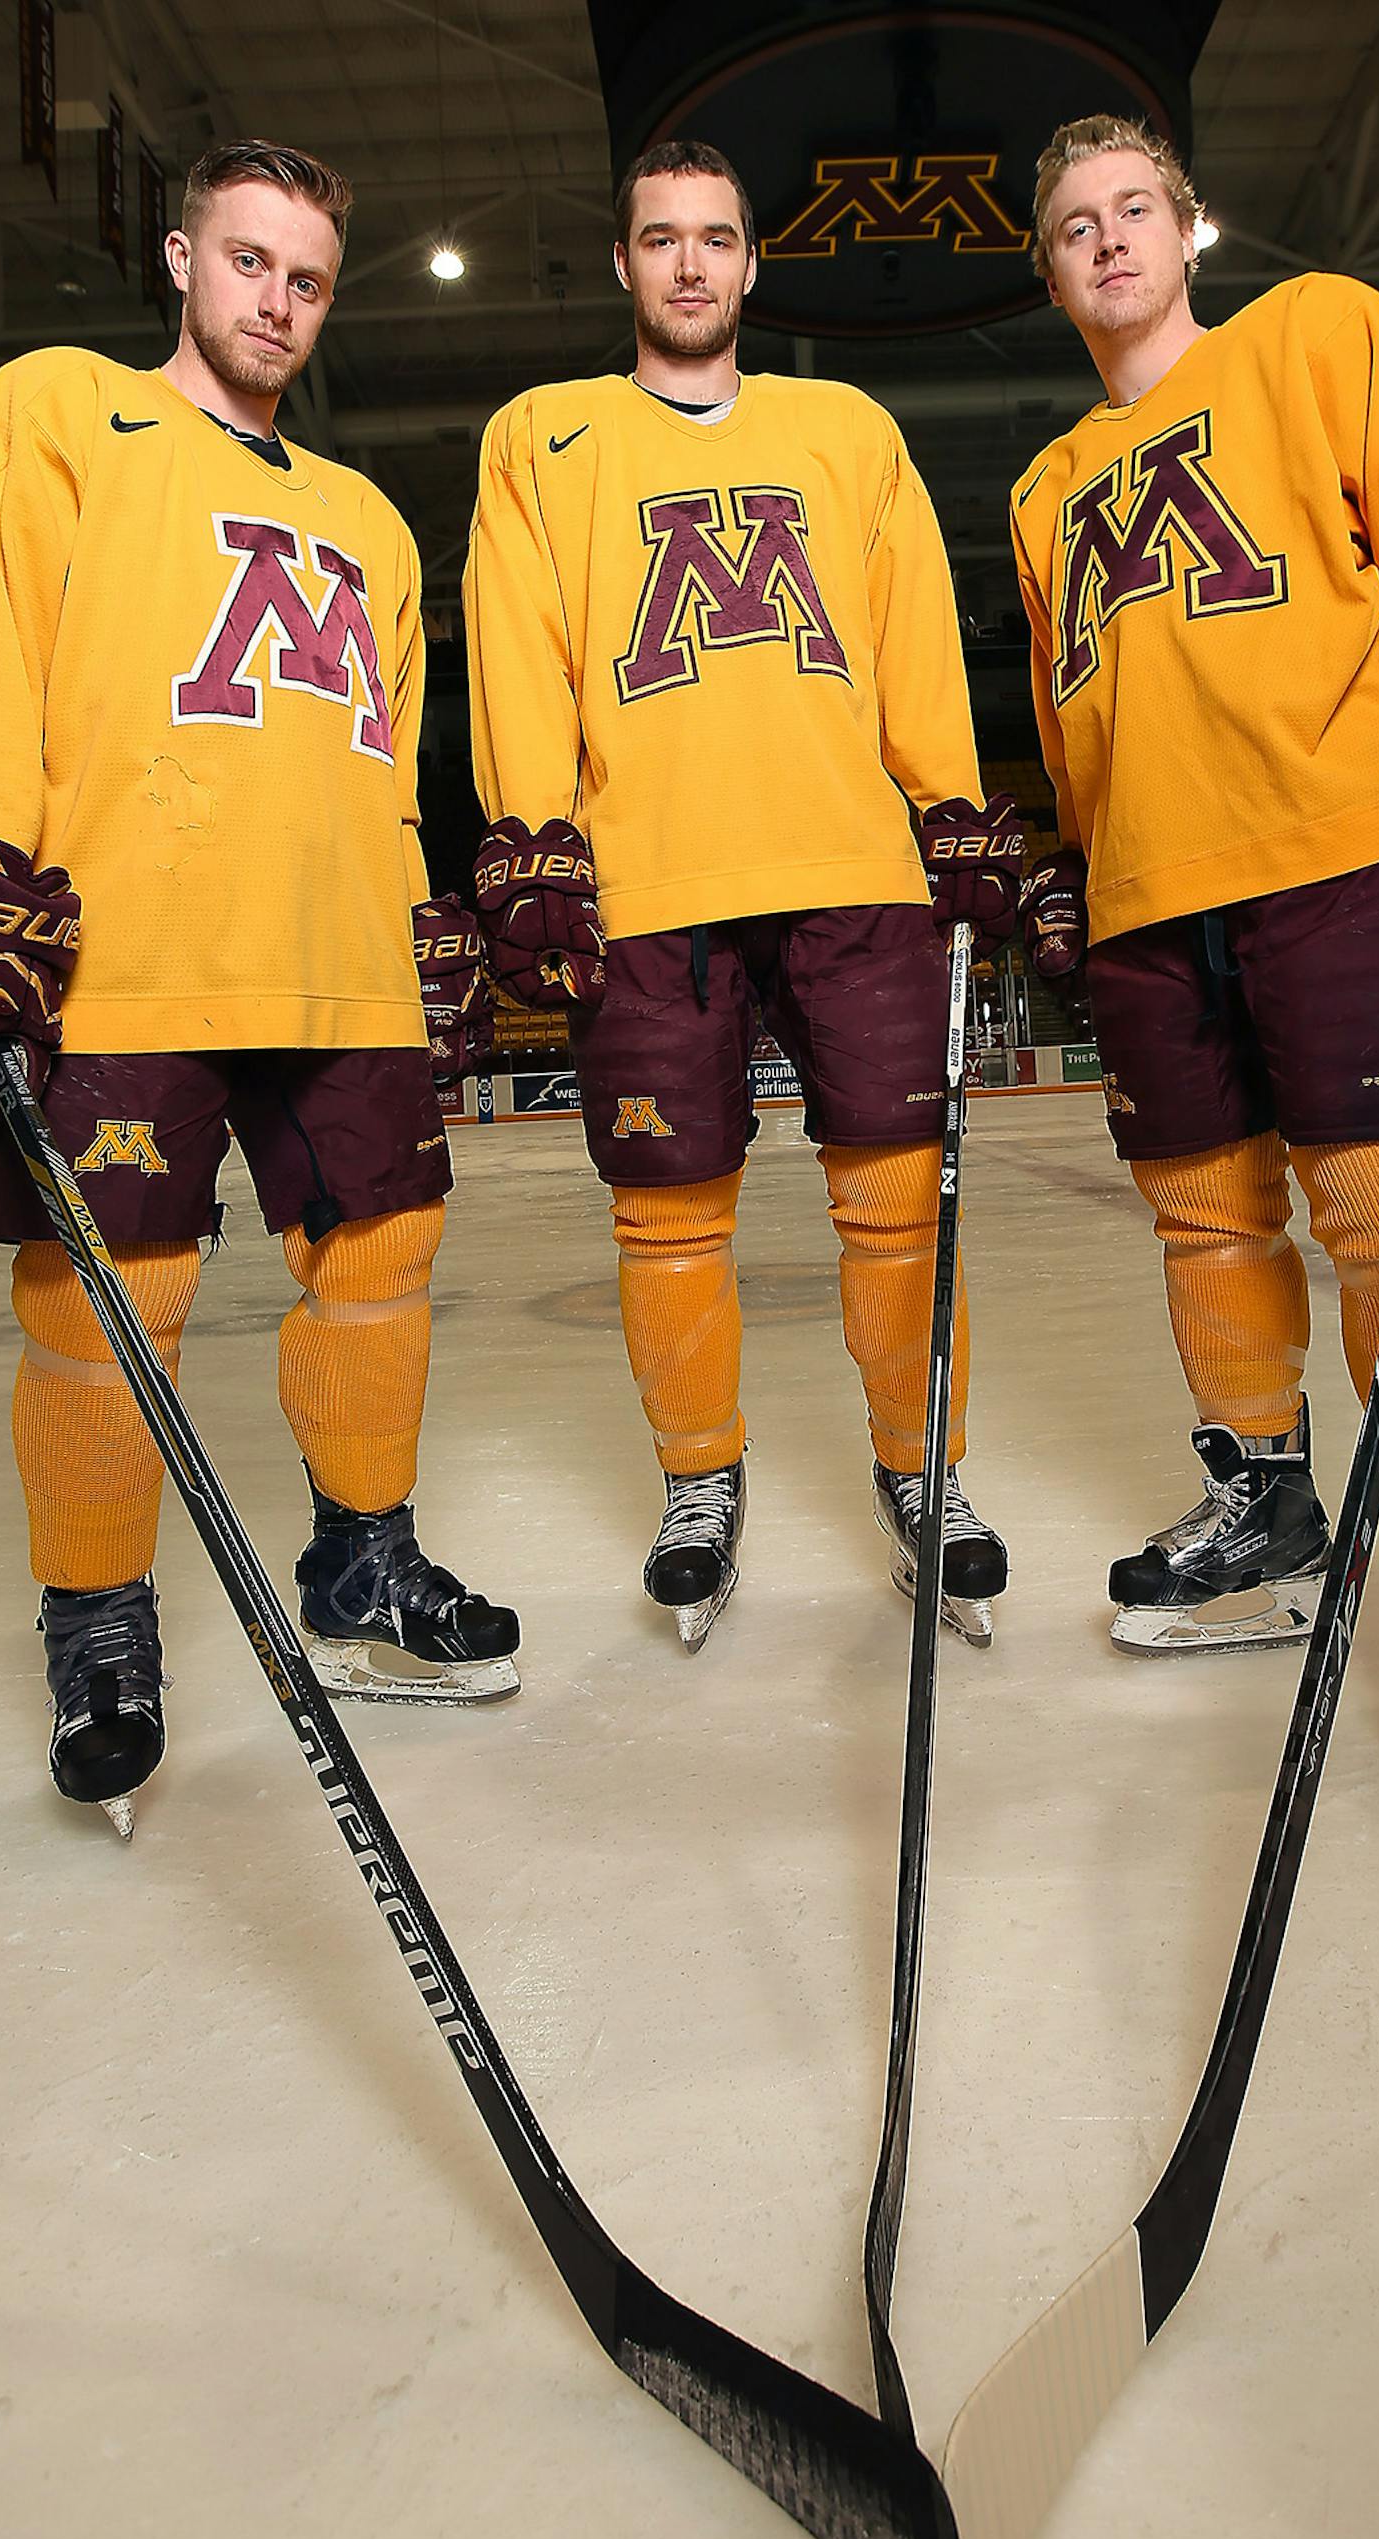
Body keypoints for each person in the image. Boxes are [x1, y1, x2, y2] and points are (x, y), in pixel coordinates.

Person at [0, 139, 517, 1838]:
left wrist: (413, 916)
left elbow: (384, 768)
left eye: (306, 278)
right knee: (102, 1309)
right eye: (249, 263)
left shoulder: (371, 520)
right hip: (128, 953)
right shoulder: (63, 413)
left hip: (333, 958)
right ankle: (100, 1625)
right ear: (179, 259)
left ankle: (365, 1560)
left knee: (386, 1257)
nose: (277, 302)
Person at [1008, 115, 1379, 1801]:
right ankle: (1264, 1496)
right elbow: (1079, 706)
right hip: (1146, 900)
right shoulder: (1046, 490)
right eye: (1071, 228)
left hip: (1334, 857)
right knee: (1204, 1227)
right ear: (1050, 273)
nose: (1107, 242)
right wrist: (1072, 856)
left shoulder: (1321, 333)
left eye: (1133, 212)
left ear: (1190, 229)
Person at [461, 138, 1022, 1651]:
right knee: (667, 1214)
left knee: (900, 1202)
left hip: (849, 862)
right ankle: (701, 1476)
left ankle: (925, 1471)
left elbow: (912, 634)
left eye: (717, 237)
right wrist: (530, 833)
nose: (692, 263)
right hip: (650, 880)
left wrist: (951, 804)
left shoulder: (845, 427)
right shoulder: (541, 436)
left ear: (752, 262)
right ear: (627, 262)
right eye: (663, 239)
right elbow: (514, 645)